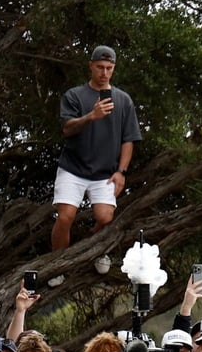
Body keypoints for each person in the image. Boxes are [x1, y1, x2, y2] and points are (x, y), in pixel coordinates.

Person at [51, 45, 142, 251]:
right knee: (65, 217)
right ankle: (56, 263)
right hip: (73, 168)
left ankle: (93, 250)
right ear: (91, 66)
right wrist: (91, 116)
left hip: (105, 173)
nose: (104, 73)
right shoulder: (74, 95)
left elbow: (129, 139)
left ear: (114, 68)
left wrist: (121, 172)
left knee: (105, 217)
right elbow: (67, 129)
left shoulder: (124, 100)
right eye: (100, 67)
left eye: (109, 68)